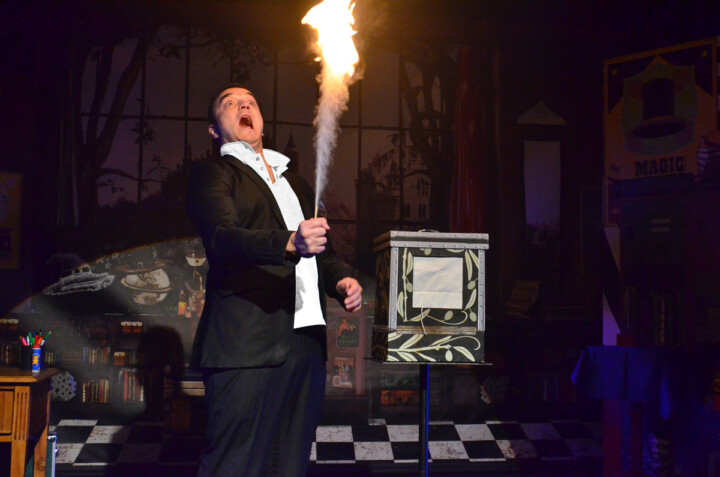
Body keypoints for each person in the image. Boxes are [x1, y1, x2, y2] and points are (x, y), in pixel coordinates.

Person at [186, 82, 362, 477]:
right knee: (234, 465)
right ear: (214, 129)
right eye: (230, 103)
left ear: (261, 121)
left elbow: (322, 253)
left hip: (305, 344)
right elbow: (223, 237)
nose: (243, 106)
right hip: (246, 346)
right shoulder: (213, 173)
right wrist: (288, 241)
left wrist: (340, 282)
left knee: (289, 465)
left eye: (250, 102)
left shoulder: (294, 182)